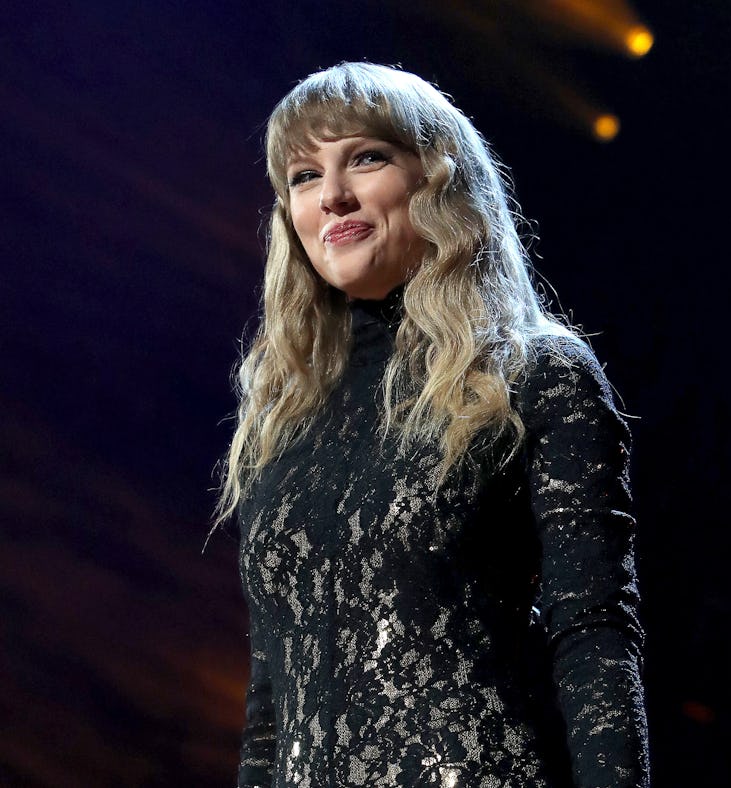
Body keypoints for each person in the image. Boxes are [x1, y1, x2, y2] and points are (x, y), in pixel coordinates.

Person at [217, 62, 650, 788]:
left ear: (437, 180)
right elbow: (271, 704)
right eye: (304, 176)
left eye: (366, 157)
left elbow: (593, 632)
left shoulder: (534, 375)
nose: (333, 194)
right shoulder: (284, 415)